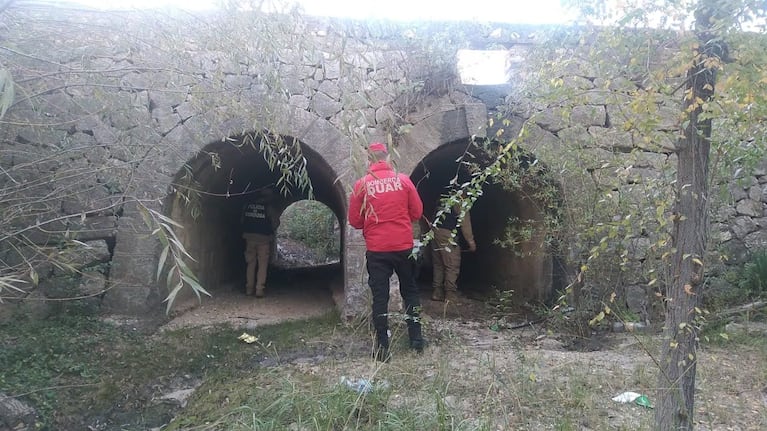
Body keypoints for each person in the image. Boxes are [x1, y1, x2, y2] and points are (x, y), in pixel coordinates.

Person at [348, 141, 425, 362]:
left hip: (377, 250)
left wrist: (373, 225)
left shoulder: (362, 184)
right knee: (410, 291)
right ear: (387, 157)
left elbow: (354, 220)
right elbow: (417, 212)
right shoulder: (404, 181)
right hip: (403, 247)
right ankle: (416, 342)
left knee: (379, 298)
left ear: (369, 160)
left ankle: (382, 349)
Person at [430, 186, 476, 302]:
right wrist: (471, 242)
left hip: (434, 232)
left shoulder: (443, 198)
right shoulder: (460, 201)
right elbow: (465, 223)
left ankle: (437, 291)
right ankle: (450, 294)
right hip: (447, 233)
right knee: (452, 263)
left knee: (439, 263)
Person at [241, 189, 280, 298]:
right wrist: (270, 230)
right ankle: (259, 289)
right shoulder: (268, 207)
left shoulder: (247, 205)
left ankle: (249, 288)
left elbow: (242, 220)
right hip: (264, 239)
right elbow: (275, 223)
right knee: (262, 264)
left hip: (249, 238)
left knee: (250, 263)